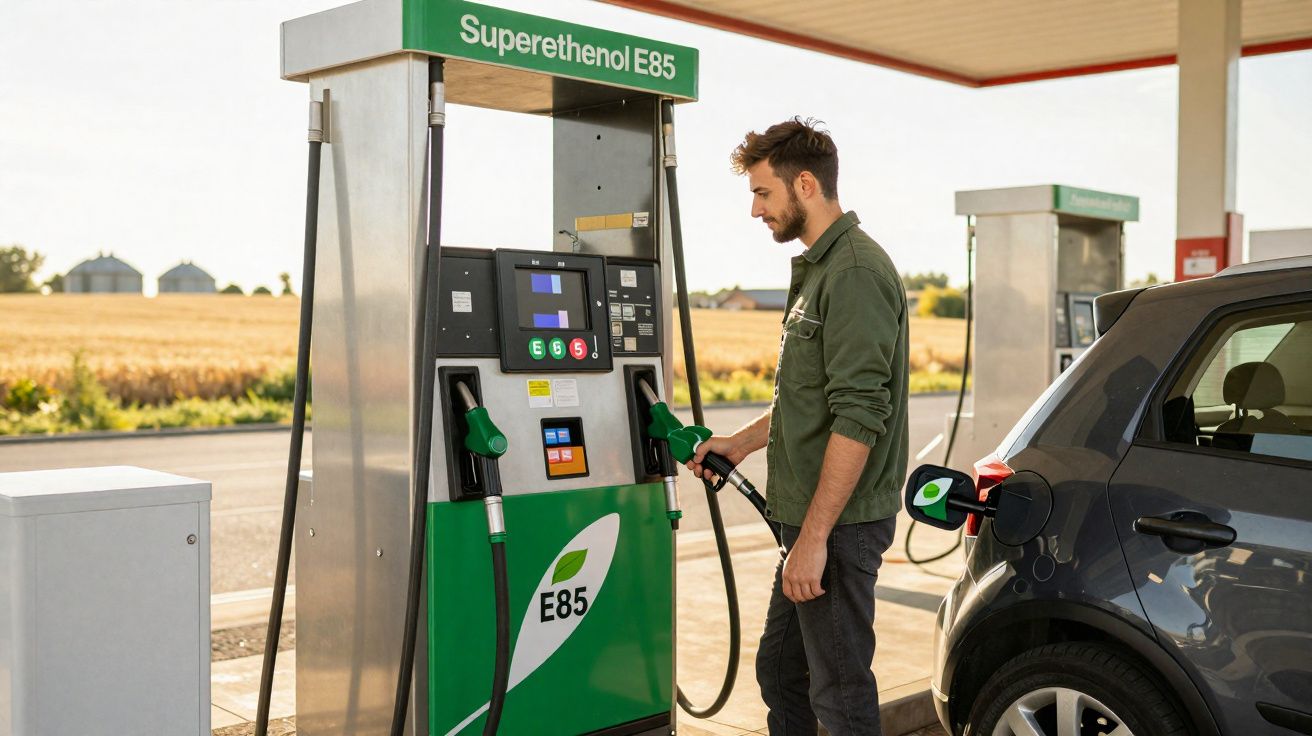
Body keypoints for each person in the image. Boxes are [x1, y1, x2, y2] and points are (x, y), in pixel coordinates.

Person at [689, 118, 909, 735]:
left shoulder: (855, 274)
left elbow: (860, 414)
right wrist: (737, 444)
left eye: (763, 193)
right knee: (783, 676)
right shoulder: (821, 269)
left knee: (839, 693)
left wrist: (814, 539)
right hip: (809, 521)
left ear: (805, 184)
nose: (755, 210)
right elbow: (804, 401)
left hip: (835, 527)